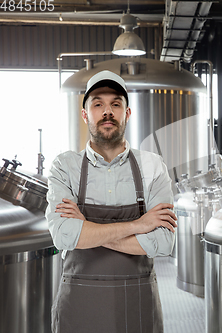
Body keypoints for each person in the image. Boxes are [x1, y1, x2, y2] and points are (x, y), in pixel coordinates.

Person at [45, 70, 177, 333]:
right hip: (79, 309)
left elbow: (163, 242)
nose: (108, 111)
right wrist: (138, 225)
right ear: (85, 115)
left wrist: (87, 227)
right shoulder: (64, 166)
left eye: (116, 104)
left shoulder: (152, 166)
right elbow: (64, 236)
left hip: (137, 308)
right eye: (98, 104)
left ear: (127, 113)